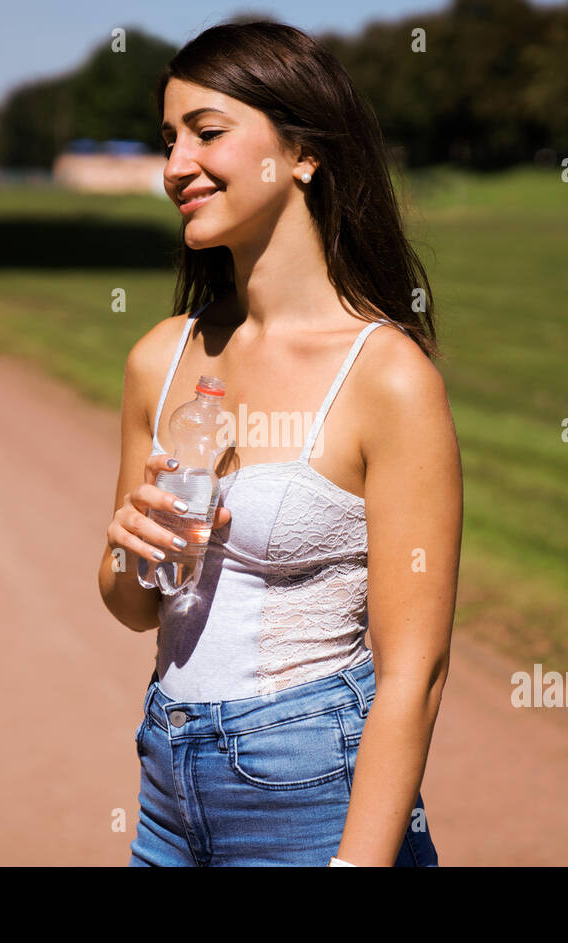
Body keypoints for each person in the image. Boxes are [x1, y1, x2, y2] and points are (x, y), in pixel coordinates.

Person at [97, 19, 462, 866]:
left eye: (207, 133)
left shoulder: (389, 377)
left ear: (303, 152)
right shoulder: (162, 356)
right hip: (166, 786)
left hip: (312, 800)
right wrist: (125, 548)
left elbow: (415, 670)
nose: (175, 165)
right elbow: (130, 604)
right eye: (168, 139)